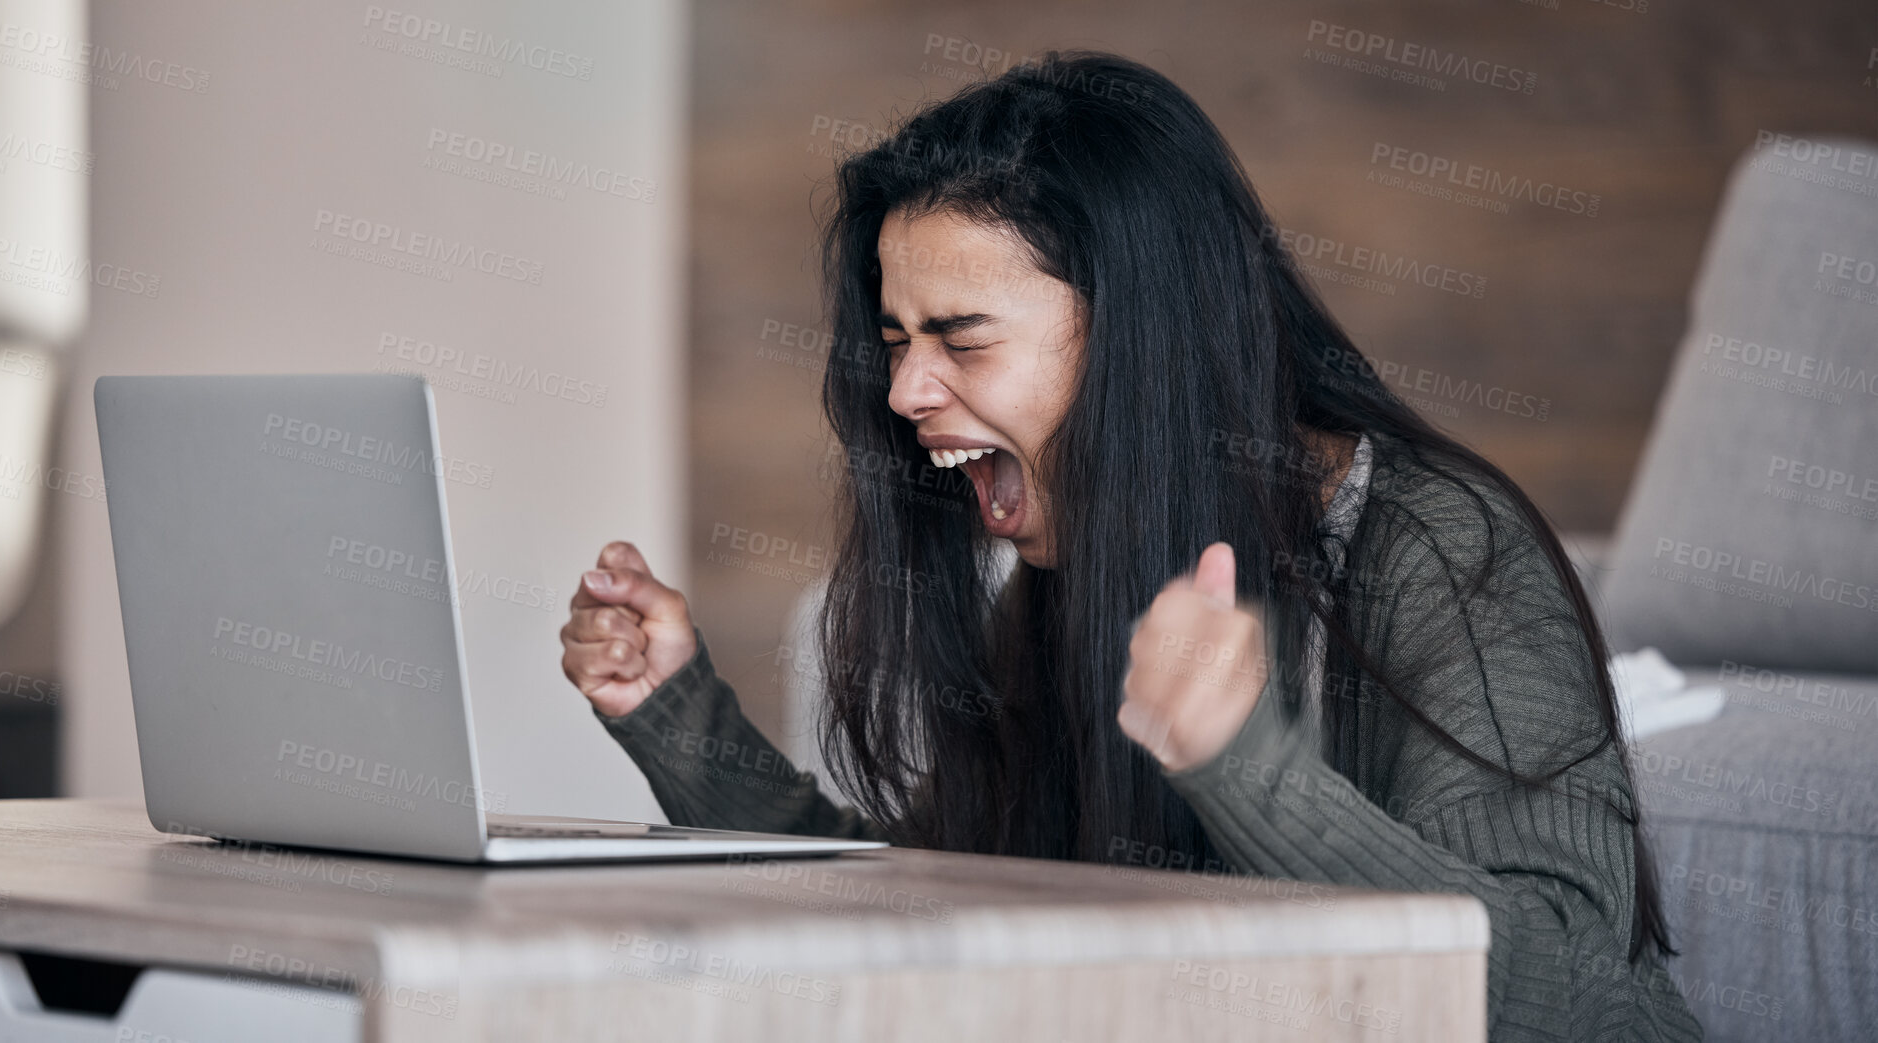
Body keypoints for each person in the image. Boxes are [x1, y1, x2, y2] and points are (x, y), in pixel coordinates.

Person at [559, 51, 1700, 1041]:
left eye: (960, 337)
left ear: (1140, 339)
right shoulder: (1073, 572)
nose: (904, 388)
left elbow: (1568, 1000)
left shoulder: (1443, 549)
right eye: (898, 337)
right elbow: (928, 903)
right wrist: (677, 713)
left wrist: (1243, 764)